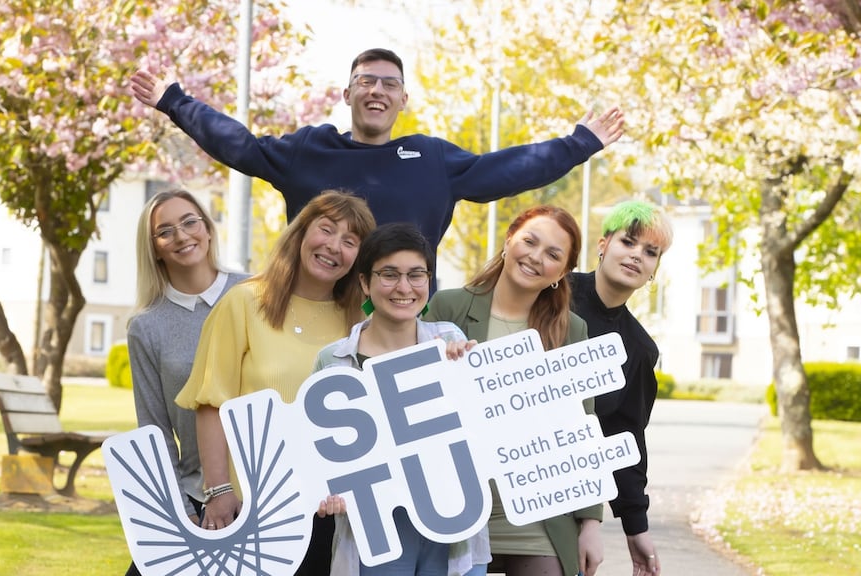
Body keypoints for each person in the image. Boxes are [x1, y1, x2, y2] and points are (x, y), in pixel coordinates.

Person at [129, 48, 625, 256]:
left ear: (402, 100)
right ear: (347, 94)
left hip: (403, 322)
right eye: (366, 81)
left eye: (389, 84)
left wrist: (579, 143)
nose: (377, 91)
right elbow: (241, 146)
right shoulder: (309, 150)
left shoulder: (432, 160)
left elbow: (510, 169)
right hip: (317, 315)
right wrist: (176, 102)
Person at [175, 190, 376, 576]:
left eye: (350, 241)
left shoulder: (360, 323)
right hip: (251, 506)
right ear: (302, 233)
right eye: (327, 230)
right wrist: (219, 491)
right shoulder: (244, 303)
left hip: (326, 511)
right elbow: (211, 403)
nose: (334, 246)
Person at [424, 206, 603, 576]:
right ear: (508, 242)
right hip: (456, 509)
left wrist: (590, 524)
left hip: (538, 514)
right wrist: (439, 362)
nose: (536, 257)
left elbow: (583, 427)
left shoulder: (571, 330)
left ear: (563, 273)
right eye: (529, 241)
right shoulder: (448, 306)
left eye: (553, 254)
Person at [311, 222, 475, 576]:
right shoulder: (333, 360)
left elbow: (477, 429)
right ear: (364, 282)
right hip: (376, 532)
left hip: (451, 527)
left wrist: (465, 369)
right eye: (389, 275)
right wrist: (326, 491)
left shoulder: (450, 340)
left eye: (416, 275)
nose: (404, 288)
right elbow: (317, 454)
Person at [123, 189, 248, 576]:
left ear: (208, 229)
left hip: (265, 487)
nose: (181, 236)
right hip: (200, 497)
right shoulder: (146, 327)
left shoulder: (255, 293)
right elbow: (155, 428)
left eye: (190, 222)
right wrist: (180, 509)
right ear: (154, 249)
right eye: (165, 231)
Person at [568, 200, 673, 576]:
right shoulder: (552, 291)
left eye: (650, 252)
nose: (636, 255)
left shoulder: (639, 350)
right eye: (628, 242)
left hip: (564, 495)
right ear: (603, 245)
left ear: (654, 270)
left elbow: (624, 437)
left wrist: (636, 527)